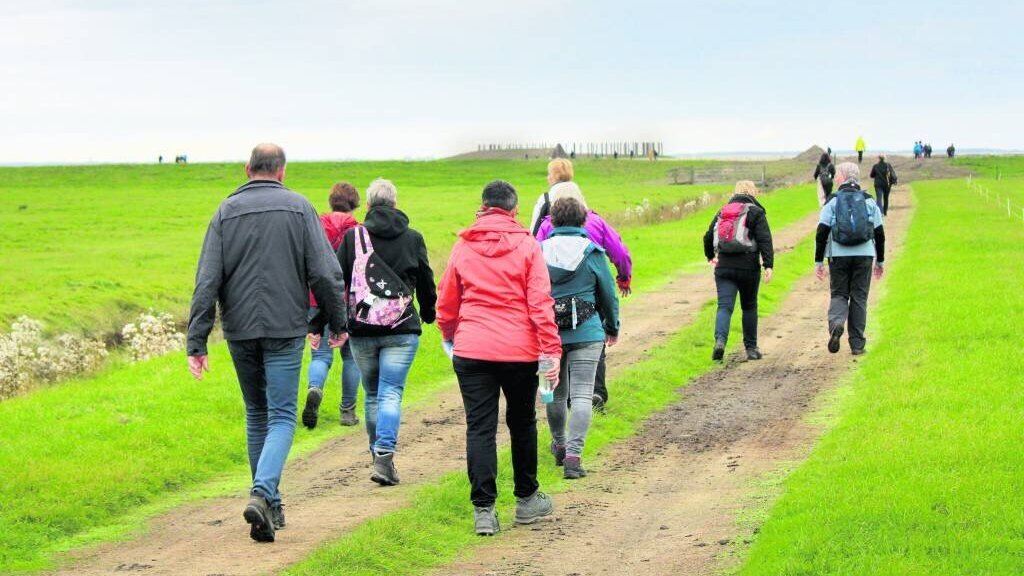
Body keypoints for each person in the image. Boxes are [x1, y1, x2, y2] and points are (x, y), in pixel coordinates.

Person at [186, 143, 347, 543]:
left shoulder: (225, 212)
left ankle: (270, 504)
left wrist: (197, 340)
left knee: (257, 413)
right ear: (282, 171)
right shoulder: (300, 208)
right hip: (284, 328)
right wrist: (337, 322)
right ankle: (262, 494)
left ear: (247, 169)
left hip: (240, 329)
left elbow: (207, 280)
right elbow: (326, 274)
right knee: (280, 416)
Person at [437, 180, 562, 537]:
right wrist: (550, 349)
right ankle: (526, 499)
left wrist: (450, 334)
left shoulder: (463, 246)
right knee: (521, 422)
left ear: (482, 206)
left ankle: (484, 511)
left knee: (480, 426)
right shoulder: (527, 245)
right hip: (519, 351)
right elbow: (540, 303)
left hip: (472, 348)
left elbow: (447, 301)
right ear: (514, 210)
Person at [330, 178, 437, 486]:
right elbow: (426, 279)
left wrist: (328, 322)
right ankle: (384, 455)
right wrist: (429, 313)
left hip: (362, 329)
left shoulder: (353, 238)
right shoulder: (413, 237)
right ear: (395, 203)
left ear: (367, 205)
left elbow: (336, 281)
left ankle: (377, 455)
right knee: (392, 391)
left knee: (374, 393)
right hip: (401, 329)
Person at [534, 181, 632, 410]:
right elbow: (619, 251)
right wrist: (623, 277)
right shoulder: (596, 221)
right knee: (591, 336)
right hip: (590, 287)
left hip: (554, 293)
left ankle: (564, 394)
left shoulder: (547, 225)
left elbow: (534, 257)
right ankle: (595, 391)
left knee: (560, 339)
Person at [541, 197, 620, 479]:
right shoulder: (593, 252)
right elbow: (609, 294)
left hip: (546, 334)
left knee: (552, 392)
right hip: (587, 331)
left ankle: (559, 445)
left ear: (552, 221)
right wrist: (612, 326)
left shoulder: (537, 251)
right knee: (583, 393)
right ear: (582, 220)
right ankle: (574, 457)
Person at [302, 182, 363, 429]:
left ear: (332, 201)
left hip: (318, 299)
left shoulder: (315, 226)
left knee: (321, 355)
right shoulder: (359, 231)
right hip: (350, 301)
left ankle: (315, 388)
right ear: (354, 204)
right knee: (352, 358)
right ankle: (347, 412)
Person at [814, 162, 885, 356]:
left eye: (837, 175)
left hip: (838, 256)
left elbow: (821, 233)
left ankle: (837, 324)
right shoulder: (869, 201)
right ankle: (857, 344)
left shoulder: (832, 201)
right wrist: (880, 261)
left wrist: (819, 261)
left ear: (843, 177)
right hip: (864, 255)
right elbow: (879, 234)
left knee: (839, 294)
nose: (836, 178)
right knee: (859, 297)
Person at [703, 181, 774, 361]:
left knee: (725, 307)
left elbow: (708, 236)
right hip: (749, 267)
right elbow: (765, 240)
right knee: (749, 306)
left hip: (724, 266)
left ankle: (720, 341)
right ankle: (751, 348)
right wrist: (768, 265)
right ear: (753, 192)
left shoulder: (723, 211)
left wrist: (711, 256)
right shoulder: (756, 212)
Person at [529, 158, 574, 235]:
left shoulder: (546, 198)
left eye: (549, 174)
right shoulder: (578, 197)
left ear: (556, 176)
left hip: (550, 244)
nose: (547, 178)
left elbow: (534, 230)